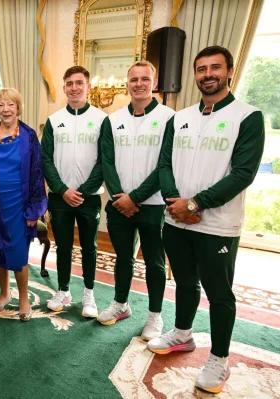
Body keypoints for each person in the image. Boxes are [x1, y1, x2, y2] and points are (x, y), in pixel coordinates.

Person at [147, 46, 265, 394]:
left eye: (215, 68)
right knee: (184, 283)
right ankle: (182, 334)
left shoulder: (248, 116)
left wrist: (195, 204)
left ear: (230, 71)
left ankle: (219, 359)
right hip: (176, 220)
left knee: (219, 293)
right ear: (195, 74)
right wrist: (174, 202)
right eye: (201, 69)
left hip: (217, 225)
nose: (207, 74)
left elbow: (243, 173)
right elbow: (164, 163)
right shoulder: (180, 117)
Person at [98, 61, 175, 341]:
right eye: (133, 79)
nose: (139, 83)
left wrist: (136, 198)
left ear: (153, 83)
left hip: (154, 204)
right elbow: (106, 161)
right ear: (126, 83)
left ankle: (155, 315)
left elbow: (166, 164)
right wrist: (121, 197)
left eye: (145, 79)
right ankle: (120, 304)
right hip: (119, 204)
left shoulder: (170, 118)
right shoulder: (113, 119)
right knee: (123, 258)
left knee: (154, 262)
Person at [41, 66, 107, 318]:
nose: (74, 88)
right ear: (64, 87)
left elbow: (105, 160)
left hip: (89, 197)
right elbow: (46, 159)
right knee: (63, 246)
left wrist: (83, 190)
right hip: (59, 198)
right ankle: (63, 289)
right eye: (69, 83)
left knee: (89, 247)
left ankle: (89, 294)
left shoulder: (102, 119)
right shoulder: (54, 120)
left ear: (88, 87)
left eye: (79, 83)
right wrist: (62, 189)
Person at [0, 88, 47, 321]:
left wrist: (34, 210)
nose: (6, 109)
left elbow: (37, 173)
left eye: (11, 104)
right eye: (1, 105)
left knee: (18, 253)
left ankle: (23, 297)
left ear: (18, 107)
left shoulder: (29, 135)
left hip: (19, 204)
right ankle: (3, 293)